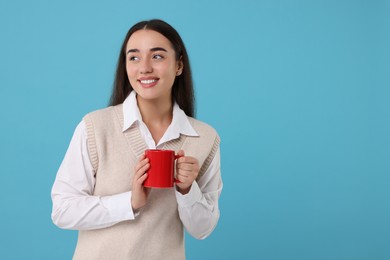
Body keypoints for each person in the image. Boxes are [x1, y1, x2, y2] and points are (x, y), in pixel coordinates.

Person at [51, 19, 222, 260]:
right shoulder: (95, 127)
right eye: (133, 57)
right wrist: (129, 203)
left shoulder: (205, 138)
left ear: (179, 65)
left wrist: (187, 190)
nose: (144, 68)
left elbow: (203, 229)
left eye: (158, 56)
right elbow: (62, 210)